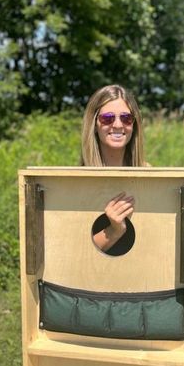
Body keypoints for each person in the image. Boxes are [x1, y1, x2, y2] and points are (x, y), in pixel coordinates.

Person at [80, 84, 147, 254]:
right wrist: (114, 230)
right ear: (94, 124)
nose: (118, 125)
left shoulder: (150, 177)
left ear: (134, 124)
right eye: (108, 118)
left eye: (126, 118)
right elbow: (77, 255)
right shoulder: (77, 182)